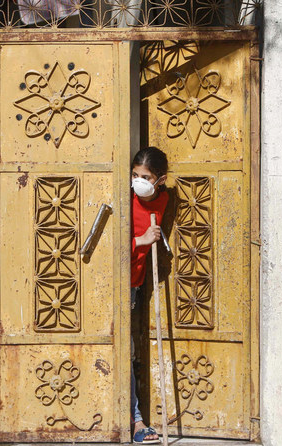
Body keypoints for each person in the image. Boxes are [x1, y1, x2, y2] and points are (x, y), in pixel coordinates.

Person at [130, 146, 169, 444]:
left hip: (136, 281)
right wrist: (139, 241)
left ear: (160, 180)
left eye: (146, 177)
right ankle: (135, 420)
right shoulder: (125, 196)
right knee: (124, 351)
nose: (139, 181)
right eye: (135, 175)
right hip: (113, 282)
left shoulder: (164, 199)